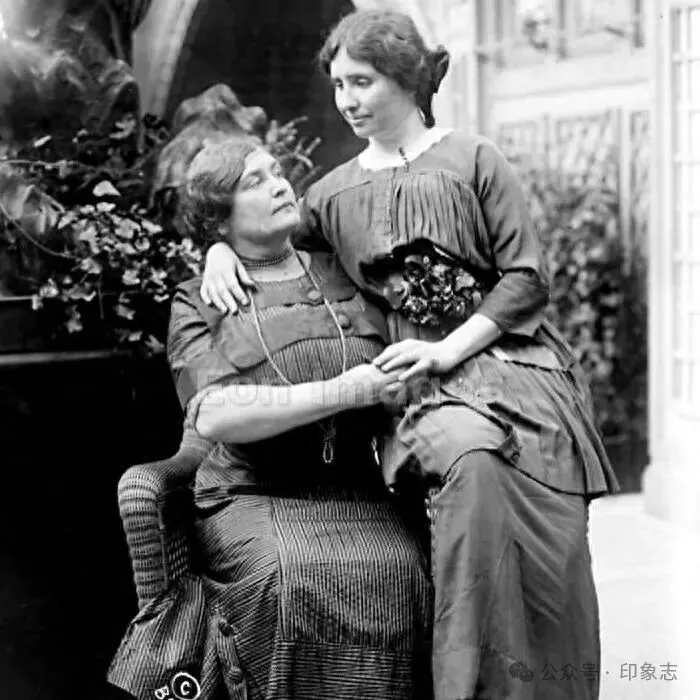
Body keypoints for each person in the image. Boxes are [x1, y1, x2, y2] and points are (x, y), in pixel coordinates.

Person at [199, 9, 620, 700]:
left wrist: (450, 348)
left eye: (361, 82)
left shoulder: (475, 158)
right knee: (473, 466)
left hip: (517, 366)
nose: (347, 100)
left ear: (404, 77)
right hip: (420, 386)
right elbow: (266, 238)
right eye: (338, 85)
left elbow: (527, 278)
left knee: (554, 540)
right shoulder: (329, 196)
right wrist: (218, 249)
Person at [108, 138, 434, 700]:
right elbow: (215, 415)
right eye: (253, 182)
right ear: (219, 219)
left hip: (354, 489)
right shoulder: (199, 300)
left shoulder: (344, 268)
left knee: (400, 569)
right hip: (252, 493)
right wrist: (344, 391)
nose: (280, 185)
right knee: (286, 574)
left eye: (278, 173)